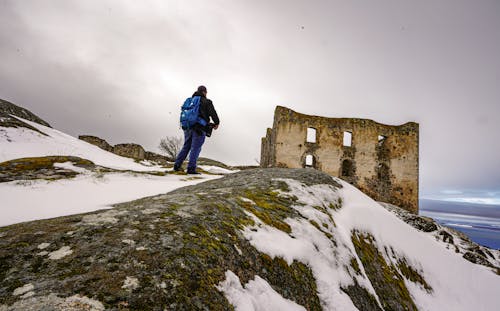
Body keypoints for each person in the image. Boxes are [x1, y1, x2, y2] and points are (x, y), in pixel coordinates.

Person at [173, 85, 219, 174]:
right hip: (199, 128)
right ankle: (191, 169)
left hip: (187, 126)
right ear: (204, 92)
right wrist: (217, 123)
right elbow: (213, 113)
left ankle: (177, 166)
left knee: (186, 146)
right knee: (195, 148)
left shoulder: (190, 101)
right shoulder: (206, 101)